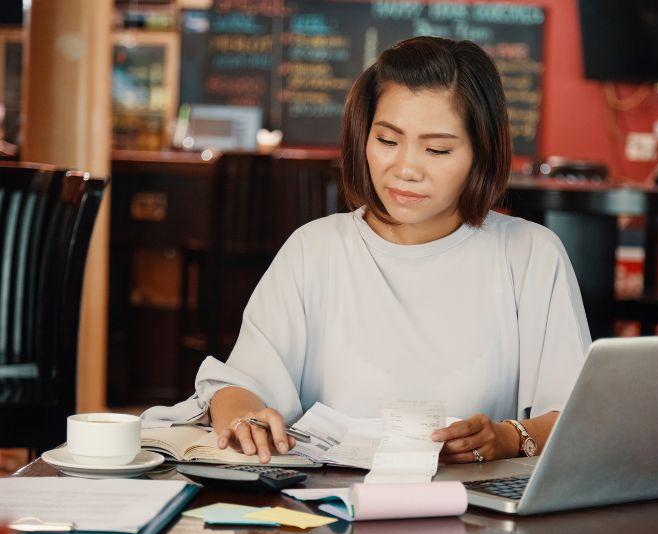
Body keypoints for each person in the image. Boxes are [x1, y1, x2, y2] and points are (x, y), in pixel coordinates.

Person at [143, 36, 590, 465]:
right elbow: (241, 386)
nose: (405, 169)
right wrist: (241, 416)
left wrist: (509, 437)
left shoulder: (530, 255)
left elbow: (580, 419)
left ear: (482, 152)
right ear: (363, 137)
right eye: (387, 141)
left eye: (437, 149)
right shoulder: (315, 250)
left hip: (475, 515)